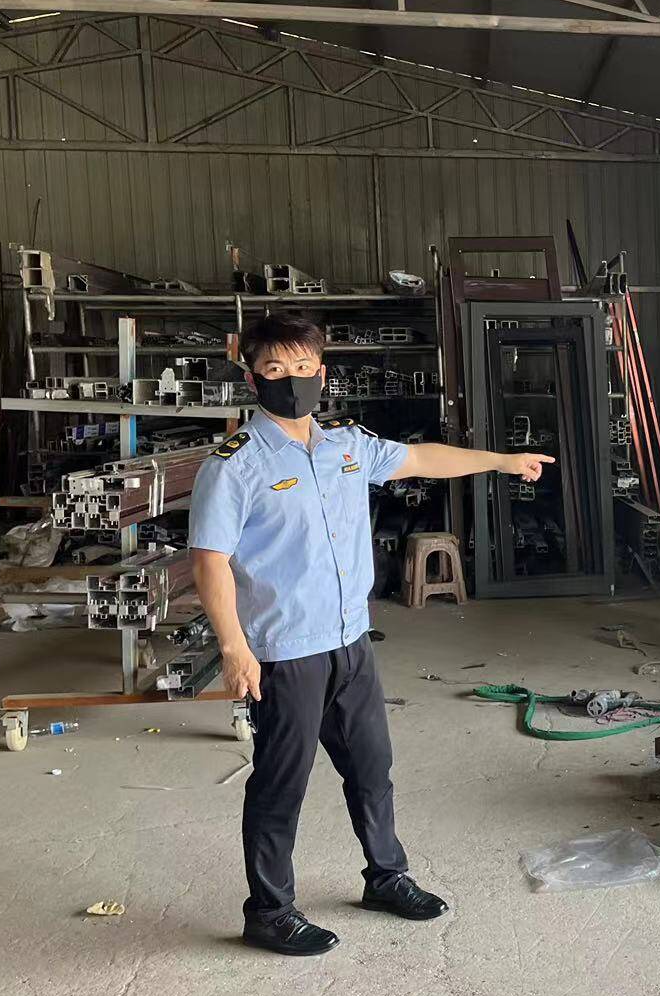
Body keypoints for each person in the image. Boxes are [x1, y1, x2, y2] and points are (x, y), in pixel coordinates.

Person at [190, 310, 551, 956]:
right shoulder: (234, 465)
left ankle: (386, 877)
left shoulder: (346, 445)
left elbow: (422, 459)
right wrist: (234, 647)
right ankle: (269, 911)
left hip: (351, 643)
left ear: (322, 373)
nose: (291, 379)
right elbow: (209, 560)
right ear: (253, 378)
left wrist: (502, 460)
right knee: (281, 783)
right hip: (286, 652)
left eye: (303, 367)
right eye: (275, 368)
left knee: (372, 767)